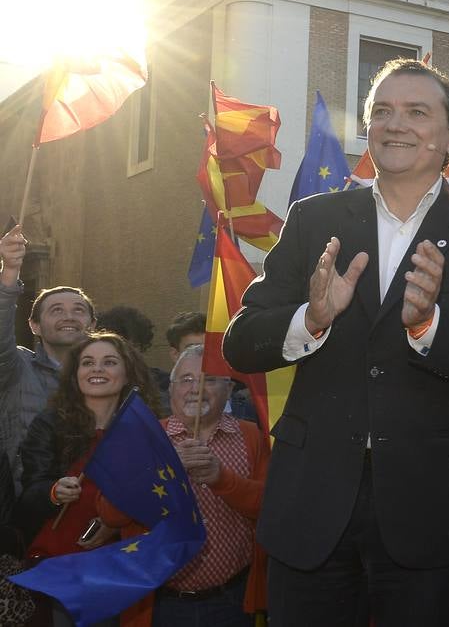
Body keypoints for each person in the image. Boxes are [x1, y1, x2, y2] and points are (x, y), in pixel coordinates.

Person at [223, 58, 449, 626]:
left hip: (428, 516)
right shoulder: (315, 220)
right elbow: (241, 344)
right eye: (383, 112)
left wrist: (430, 327)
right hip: (311, 507)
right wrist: (310, 320)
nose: (397, 124)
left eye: (418, 112)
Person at [99, 343, 269, 627]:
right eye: (186, 379)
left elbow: (269, 508)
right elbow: (110, 514)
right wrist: (162, 472)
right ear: (171, 388)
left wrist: (221, 479)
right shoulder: (142, 438)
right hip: (160, 603)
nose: (196, 388)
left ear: (228, 390)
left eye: (209, 380)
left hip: (233, 599)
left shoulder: (252, 436)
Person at [17, 333, 161, 627]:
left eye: (109, 362)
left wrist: (115, 521)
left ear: (127, 373)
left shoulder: (150, 428)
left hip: (124, 564)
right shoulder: (49, 424)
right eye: (87, 363)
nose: (97, 369)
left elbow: (158, 498)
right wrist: (54, 492)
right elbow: (28, 497)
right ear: (76, 374)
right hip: (61, 567)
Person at [0, 225, 95, 481]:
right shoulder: (17, 367)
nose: (69, 317)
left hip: (88, 506)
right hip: (25, 505)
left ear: (93, 324)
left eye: (78, 310)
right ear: (34, 325)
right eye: (56, 310)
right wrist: (10, 271)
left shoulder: (108, 375)